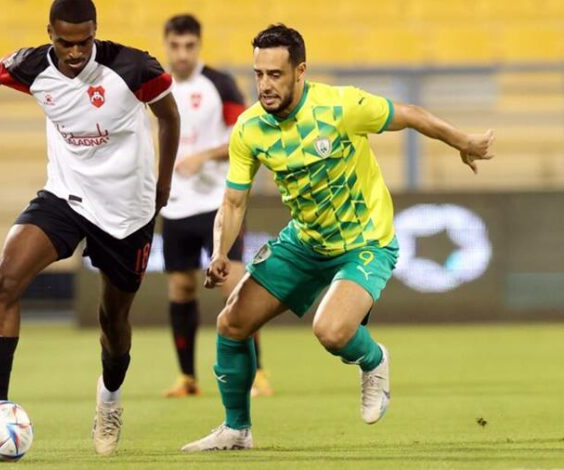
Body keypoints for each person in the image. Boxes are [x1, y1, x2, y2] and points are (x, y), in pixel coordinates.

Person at [181, 24, 494, 451]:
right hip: (305, 242)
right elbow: (234, 202)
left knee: (330, 331)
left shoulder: (340, 106)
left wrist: (463, 141)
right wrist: (220, 251)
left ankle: (373, 359)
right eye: (259, 74)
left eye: (275, 74)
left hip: (366, 242)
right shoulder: (250, 129)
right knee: (232, 323)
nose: (265, 85)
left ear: (300, 72)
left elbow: (410, 114)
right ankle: (237, 430)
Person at [0, 0, 180, 457]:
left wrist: (162, 185)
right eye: (66, 43)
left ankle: (109, 398)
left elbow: (169, 117)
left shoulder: (133, 67)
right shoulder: (32, 65)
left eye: (85, 41)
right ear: (50, 34)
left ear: (95, 31)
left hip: (127, 210)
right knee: (4, 280)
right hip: (66, 195)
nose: (76, 52)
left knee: (113, 322)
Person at [159, 14, 273, 399]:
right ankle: (187, 378)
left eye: (189, 46)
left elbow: (247, 136)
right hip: (175, 205)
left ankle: (257, 373)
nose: (182, 54)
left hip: (217, 203)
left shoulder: (219, 84)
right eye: (175, 46)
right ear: (166, 45)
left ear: (199, 45)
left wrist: (204, 156)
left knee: (234, 285)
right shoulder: (157, 87)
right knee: (180, 287)